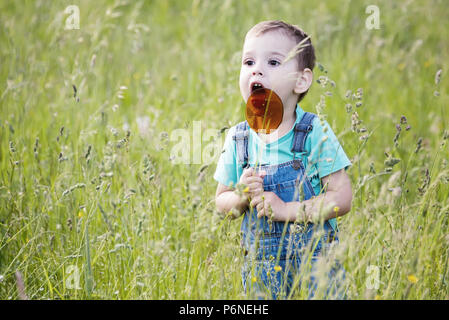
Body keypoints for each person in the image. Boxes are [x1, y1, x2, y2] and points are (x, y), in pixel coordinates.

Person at [213, 20, 352, 299]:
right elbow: (221, 202)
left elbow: (342, 197)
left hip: (316, 264)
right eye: (248, 61)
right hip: (263, 272)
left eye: (273, 62)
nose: (257, 69)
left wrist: (288, 210)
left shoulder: (314, 132)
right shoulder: (239, 139)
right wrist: (239, 195)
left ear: (301, 80)